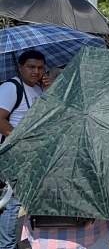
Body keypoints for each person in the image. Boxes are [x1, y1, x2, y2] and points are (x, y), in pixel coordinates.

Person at [0, 50, 47, 249]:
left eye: (40, 67)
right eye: (31, 67)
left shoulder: (37, 89)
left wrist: (48, 91)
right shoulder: (11, 87)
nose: (36, 71)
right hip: (13, 155)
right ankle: (7, 245)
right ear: (20, 67)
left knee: (22, 201)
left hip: (30, 155)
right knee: (12, 204)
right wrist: (17, 138)